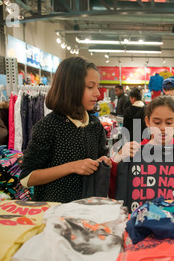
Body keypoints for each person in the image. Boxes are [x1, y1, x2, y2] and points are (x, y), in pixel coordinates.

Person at [19, 56, 111, 203]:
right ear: (71, 87)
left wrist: (103, 162)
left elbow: (99, 157)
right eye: (90, 87)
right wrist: (72, 167)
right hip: (55, 212)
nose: (97, 94)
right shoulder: (48, 126)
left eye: (97, 87)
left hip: (87, 212)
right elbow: (26, 178)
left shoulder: (95, 124)